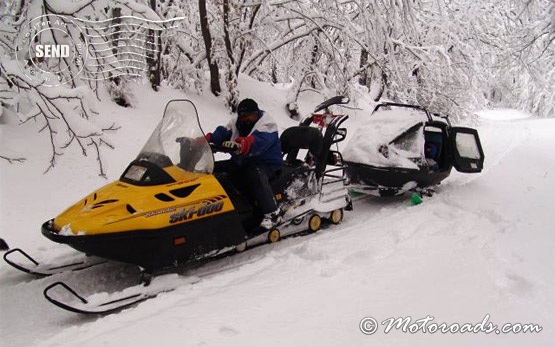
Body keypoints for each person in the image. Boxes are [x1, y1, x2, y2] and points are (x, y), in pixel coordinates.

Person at [207, 98, 282, 229]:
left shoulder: (267, 124)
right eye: (242, 116)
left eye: (248, 116)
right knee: (215, 169)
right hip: (242, 161)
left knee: (254, 174)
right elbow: (222, 133)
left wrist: (242, 144)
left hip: (266, 162)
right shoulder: (237, 123)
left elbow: (259, 141)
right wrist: (204, 140)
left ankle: (272, 213)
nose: (245, 119)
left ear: (256, 113)